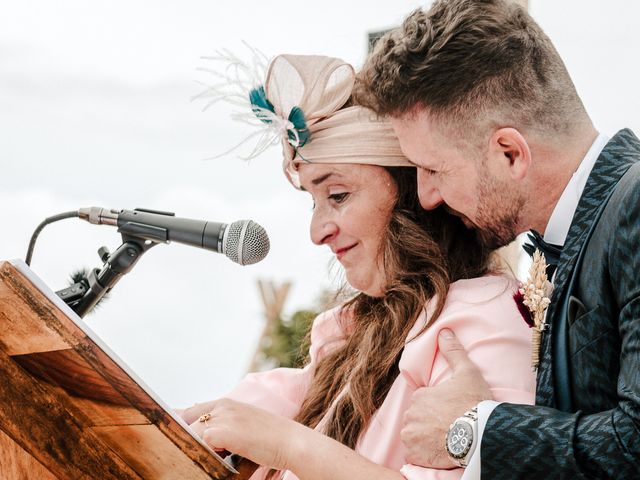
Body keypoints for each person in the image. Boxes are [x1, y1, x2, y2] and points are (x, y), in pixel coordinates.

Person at [181, 53, 535, 480]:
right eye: (313, 202)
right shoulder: (350, 335)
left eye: (338, 195)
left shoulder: (488, 318)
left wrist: (288, 445)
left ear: (410, 194)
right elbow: (272, 401)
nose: (317, 231)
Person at [356, 0, 640, 478]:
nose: (426, 197)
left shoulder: (634, 208)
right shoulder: (571, 234)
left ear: (509, 153)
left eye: (433, 169)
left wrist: (476, 430)